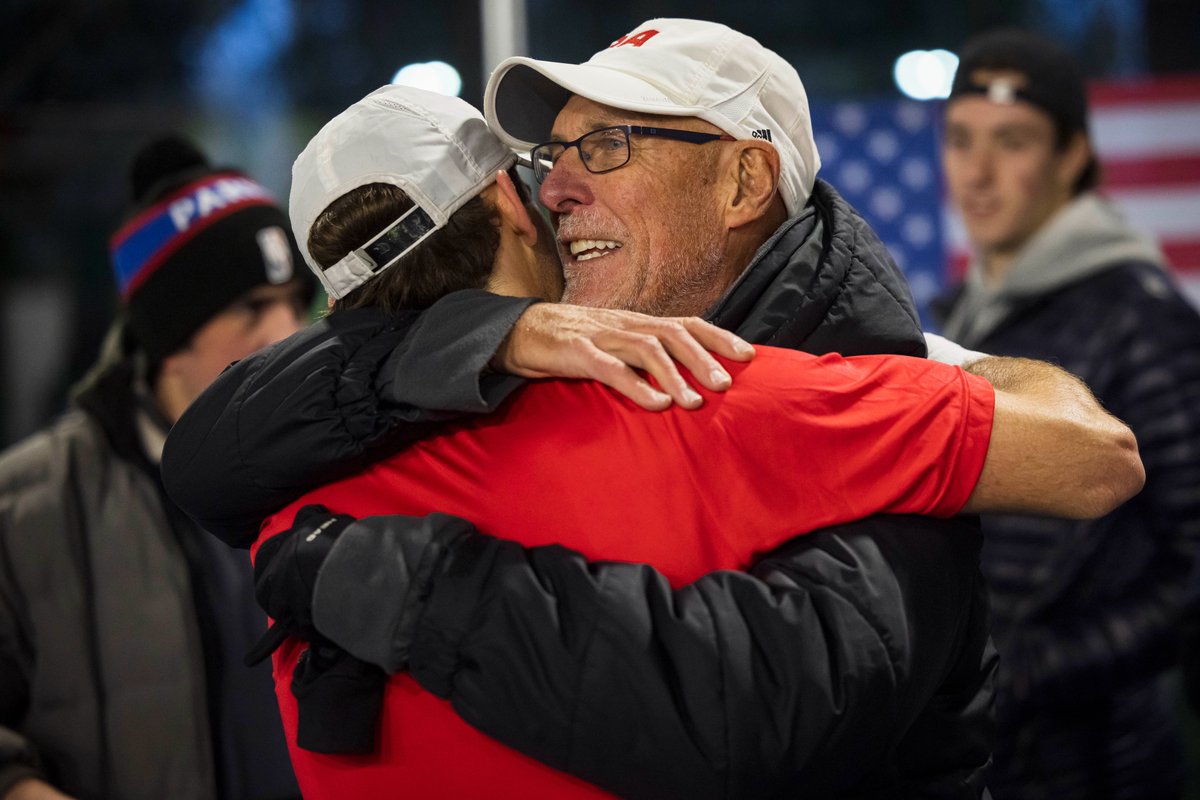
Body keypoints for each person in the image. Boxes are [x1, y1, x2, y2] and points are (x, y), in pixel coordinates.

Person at [163, 19, 1137, 797]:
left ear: (742, 181)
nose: (562, 188)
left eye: (608, 144)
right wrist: (481, 335)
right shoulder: (552, 385)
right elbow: (206, 454)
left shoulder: (833, 396)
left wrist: (411, 580)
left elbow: (749, 715)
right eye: (554, 155)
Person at [931, 28, 1200, 800]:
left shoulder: (1142, 322)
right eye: (960, 141)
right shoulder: (960, 318)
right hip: (983, 761)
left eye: (1010, 142)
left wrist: (1036, 667)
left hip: (1103, 765)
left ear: (1072, 156)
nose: (976, 174)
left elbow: (1195, 570)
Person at [0, 136, 312, 800]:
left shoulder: (339, 473)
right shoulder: (26, 508)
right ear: (171, 340)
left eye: (293, 302)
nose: (285, 333)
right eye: (251, 309)